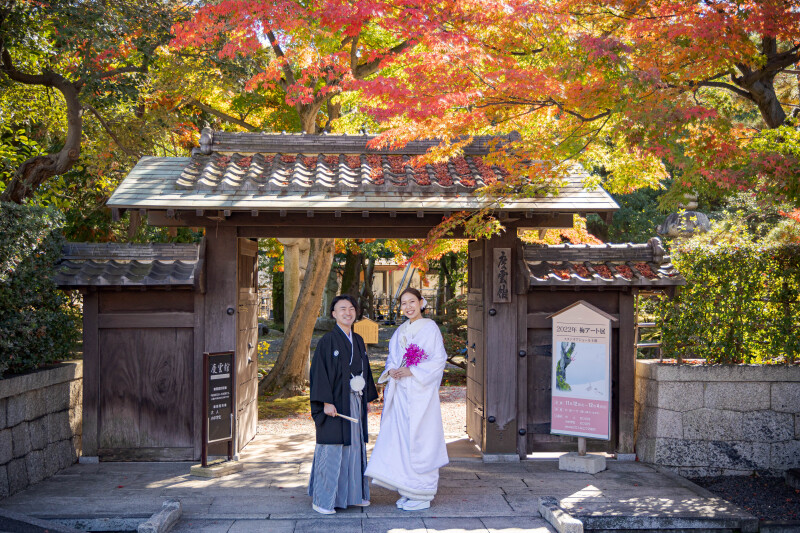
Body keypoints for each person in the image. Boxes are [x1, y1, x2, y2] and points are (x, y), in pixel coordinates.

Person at [365, 288, 448, 511]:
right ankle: (408, 489)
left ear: (421, 303)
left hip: (421, 395)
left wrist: (413, 371)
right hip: (401, 394)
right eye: (403, 303)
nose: (408, 306)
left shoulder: (430, 328)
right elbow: (392, 358)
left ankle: (423, 492)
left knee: (421, 439)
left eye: (412, 301)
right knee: (401, 438)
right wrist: (392, 371)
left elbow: (438, 360)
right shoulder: (400, 330)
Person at [308, 295, 378, 514]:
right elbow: (319, 372)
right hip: (335, 402)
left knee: (354, 447)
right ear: (333, 314)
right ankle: (323, 500)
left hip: (354, 400)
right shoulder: (327, 341)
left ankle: (354, 495)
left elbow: (364, 370)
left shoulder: (357, 339)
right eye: (342, 309)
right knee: (332, 448)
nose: (348, 312)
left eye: (351, 309)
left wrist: (365, 397)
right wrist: (325, 402)